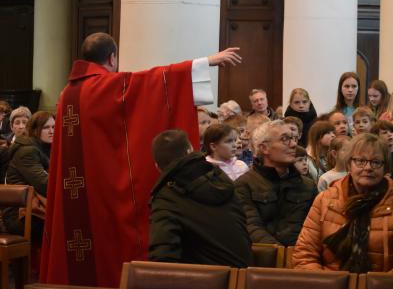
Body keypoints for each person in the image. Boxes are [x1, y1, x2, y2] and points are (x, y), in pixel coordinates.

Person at [41, 32, 242, 288]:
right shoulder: (105, 86)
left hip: (80, 193)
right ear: (112, 58)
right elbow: (156, 80)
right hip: (104, 194)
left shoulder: (66, 94)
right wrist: (205, 62)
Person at [292, 133, 393, 273]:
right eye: (360, 161)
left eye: (376, 162)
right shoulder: (324, 200)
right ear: (349, 165)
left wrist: (379, 284)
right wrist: (329, 283)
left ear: (386, 168)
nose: (368, 168)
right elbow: (304, 255)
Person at [148, 129, 251, 267]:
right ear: (190, 151)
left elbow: (163, 258)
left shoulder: (166, 197)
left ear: (157, 167)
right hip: (244, 274)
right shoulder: (218, 175)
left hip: (208, 280)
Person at [235, 120, 317, 245]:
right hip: (262, 258)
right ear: (264, 148)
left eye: (294, 138)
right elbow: (251, 227)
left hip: (301, 257)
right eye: (285, 139)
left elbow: (314, 229)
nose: (294, 144)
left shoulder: (308, 186)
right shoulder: (244, 185)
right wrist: (280, 254)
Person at [4, 111, 54, 243]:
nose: (51, 131)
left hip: (34, 210)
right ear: (35, 130)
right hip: (20, 215)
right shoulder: (27, 151)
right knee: (65, 226)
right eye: (46, 128)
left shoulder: (45, 148)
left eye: (54, 127)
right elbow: (45, 185)